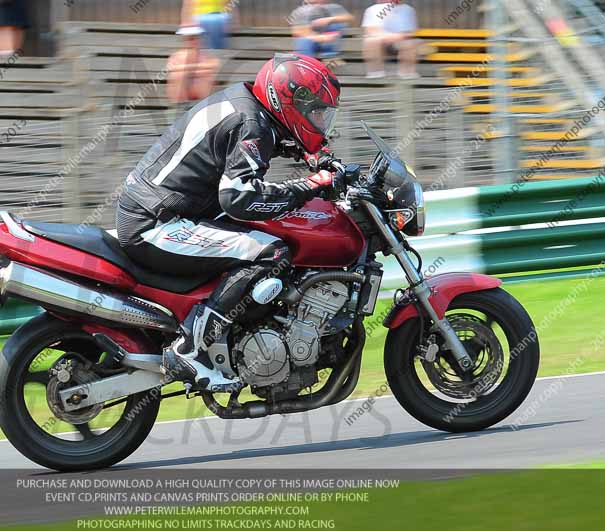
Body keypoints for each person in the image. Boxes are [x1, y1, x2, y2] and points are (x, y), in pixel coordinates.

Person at [116, 54, 343, 391]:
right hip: (158, 223)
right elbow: (239, 198)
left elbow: (253, 146)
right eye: (314, 111)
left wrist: (311, 156)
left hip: (162, 209)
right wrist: (305, 187)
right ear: (289, 100)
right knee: (271, 253)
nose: (319, 119)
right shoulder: (251, 123)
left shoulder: (248, 106)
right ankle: (191, 349)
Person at [362, 0, 419, 79]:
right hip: (381, 40)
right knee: (371, 41)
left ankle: (407, 74)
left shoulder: (408, 10)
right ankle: (375, 74)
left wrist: (396, 37)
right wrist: (386, 37)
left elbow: (409, 33)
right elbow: (370, 30)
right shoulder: (372, 9)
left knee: (409, 42)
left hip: (400, 41)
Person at [166, 26, 220, 105]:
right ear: (185, 40)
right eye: (190, 39)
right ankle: (181, 106)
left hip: (201, 94)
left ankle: (203, 105)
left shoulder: (206, 56)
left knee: (206, 77)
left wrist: (188, 69)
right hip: (180, 96)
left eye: (196, 38)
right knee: (178, 75)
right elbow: (171, 68)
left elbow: (213, 66)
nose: (193, 41)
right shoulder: (177, 56)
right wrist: (197, 69)